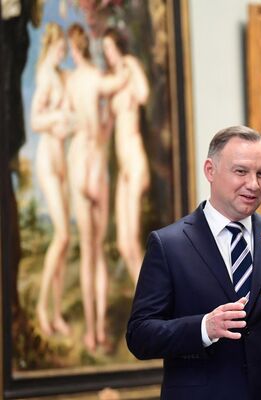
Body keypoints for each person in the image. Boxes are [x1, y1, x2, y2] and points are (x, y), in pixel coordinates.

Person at [127, 126, 261, 399]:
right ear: (210, 171)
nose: (254, 185)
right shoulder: (169, 244)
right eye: (241, 172)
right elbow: (140, 336)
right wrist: (204, 328)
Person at [65, 23, 129, 352]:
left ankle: (91, 332)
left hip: (80, 163)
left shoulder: (73, 82)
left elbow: (65, 123)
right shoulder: (99, 82)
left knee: (88, 251)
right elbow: (120, 83)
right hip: (97, 166)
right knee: (99, 252)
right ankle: (101, 330)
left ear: (73, 50)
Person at [31, 22, 75, 338]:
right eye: (61, 47)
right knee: (60, 236)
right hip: (48, 159)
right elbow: (35, 120)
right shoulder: (46, 74)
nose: (64, 52)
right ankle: (41, 308)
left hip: (62, 160)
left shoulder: (58, 74)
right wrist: (58, 119)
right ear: (53, 44)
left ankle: (57, 312)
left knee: (65, 241)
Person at [102, 28, 150, 285]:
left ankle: (154, 306)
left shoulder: (129, 67)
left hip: (134, 159)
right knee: (123, 243)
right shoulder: (112, 77)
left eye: (110, 48)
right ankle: (148, 301)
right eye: (105, 50)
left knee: (132, 239)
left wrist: (130, 68)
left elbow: (143, 94)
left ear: (119, 47)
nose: (108, 54)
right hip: (123, 167)